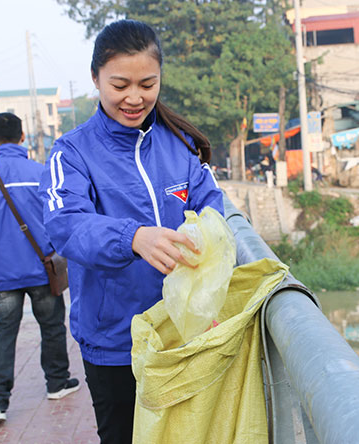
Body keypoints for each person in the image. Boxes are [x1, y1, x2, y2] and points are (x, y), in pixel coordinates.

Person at [38, 19, 224, 443]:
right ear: (95, 79)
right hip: (114, 342)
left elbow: (213, 208)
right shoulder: (72, 152)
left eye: (148, 84)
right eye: (120, 85)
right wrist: (133, 237)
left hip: (183, 331)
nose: (135, 98)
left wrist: (210, 285)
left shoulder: (180, 144)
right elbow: (65, 224)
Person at [0, 113, 79, 425]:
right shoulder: (42, 173)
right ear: (23, 138)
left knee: (3, 332)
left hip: (1, 275)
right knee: (51, 325)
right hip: (42, 268)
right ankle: (57, 383)